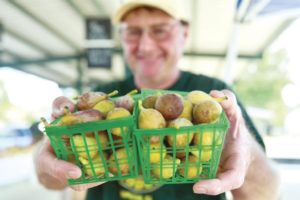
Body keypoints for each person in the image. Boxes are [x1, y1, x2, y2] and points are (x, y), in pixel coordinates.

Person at [34, 0, 280, 199]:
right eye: (133, 32)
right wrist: (56, 148)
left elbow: (267, 193)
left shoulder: (214, 96)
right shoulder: (101, 99)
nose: (146, 45)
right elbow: (47, 181)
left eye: (159, 30)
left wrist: (245, 153)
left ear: (184, 34)